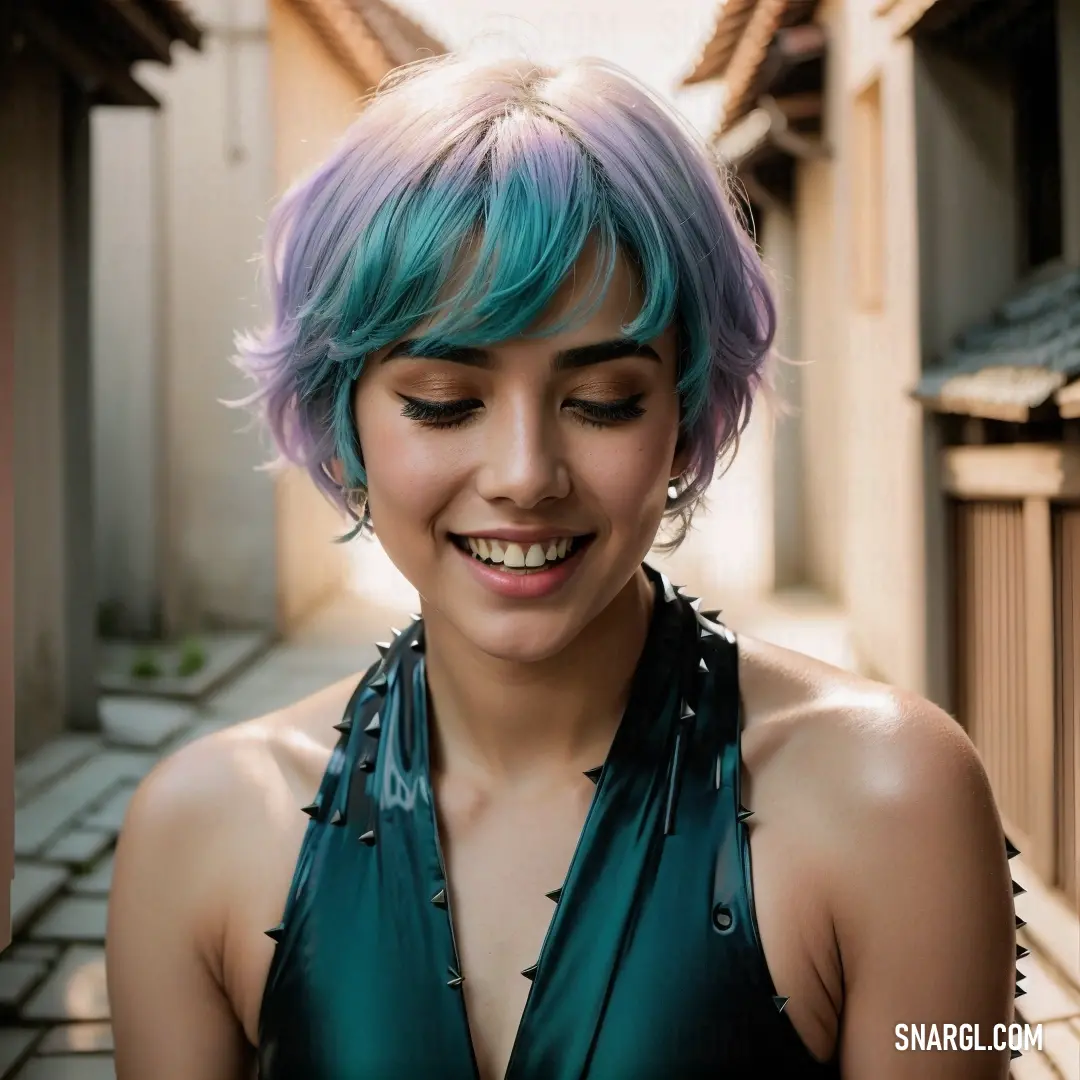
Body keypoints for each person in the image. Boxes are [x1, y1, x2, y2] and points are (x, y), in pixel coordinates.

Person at [107, 54, 1019, 1080]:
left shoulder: (897, 801)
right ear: (340, 422)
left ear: (684, 417)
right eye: (445, 400)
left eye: (605, 400)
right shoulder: (200, 831)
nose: (525, 475)